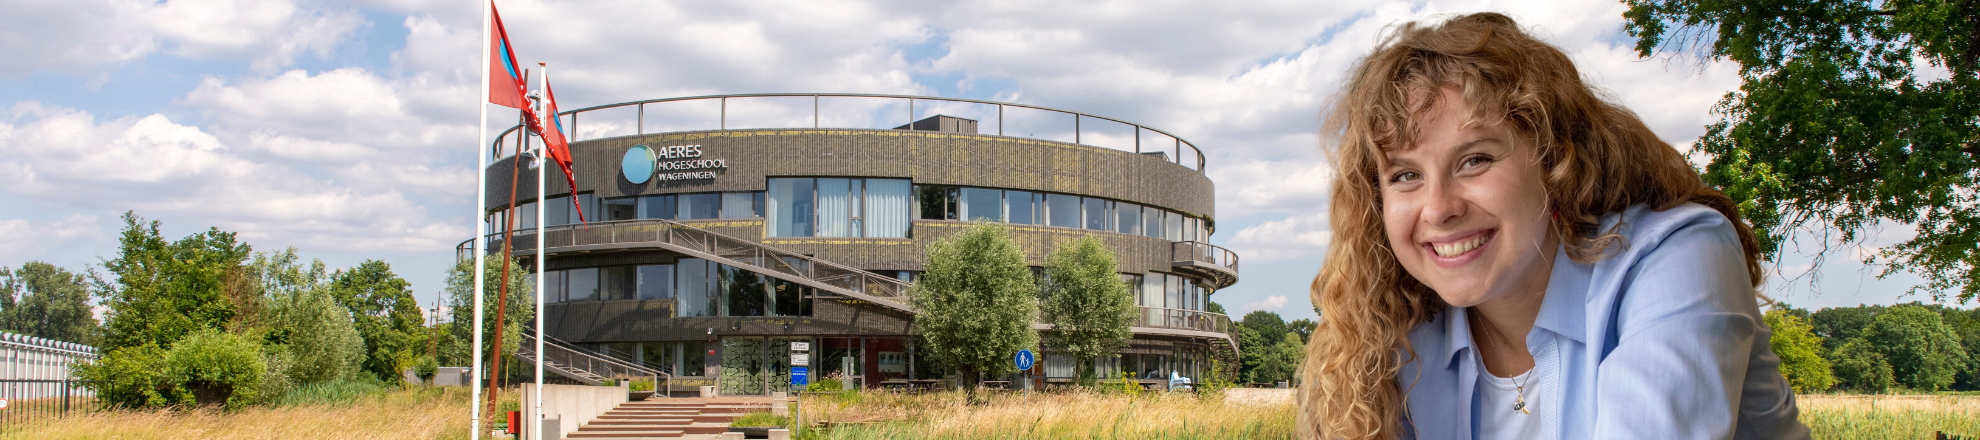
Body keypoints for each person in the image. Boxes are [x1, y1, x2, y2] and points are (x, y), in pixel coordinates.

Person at [1296, 13, 1808, 440]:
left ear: (1557, 159)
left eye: (1474, 160)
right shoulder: (1402, 329)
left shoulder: (1679, 255)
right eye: (1405, 174)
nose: (1437, 208)